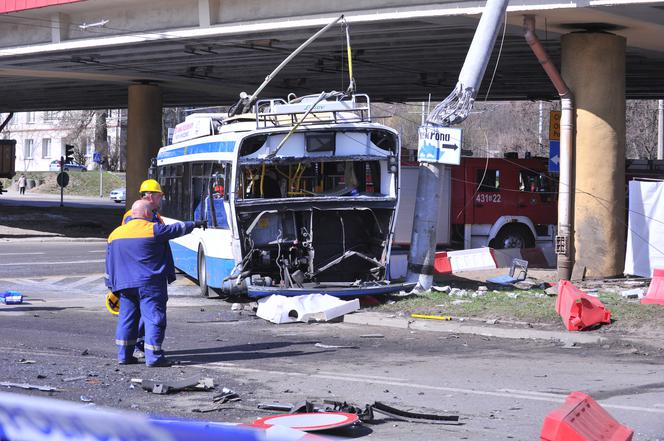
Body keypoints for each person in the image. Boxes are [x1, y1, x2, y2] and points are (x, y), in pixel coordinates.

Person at [105, 199, 206, 367]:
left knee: (127, 319)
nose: (153, 215)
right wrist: (194, 224)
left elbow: (109, 263)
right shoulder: (152, 229)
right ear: (146, 213)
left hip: (124, 285)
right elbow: (176, 229)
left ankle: (124, 356)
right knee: (153, 319)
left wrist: (111, 286)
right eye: (152, 212)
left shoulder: (115, 234)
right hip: (149, 285)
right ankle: (153, 357)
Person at [120, 179, 165, 359]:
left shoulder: (156, 216)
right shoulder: (133, 215)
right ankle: (148, 351)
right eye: (159, 195)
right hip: (142, 274)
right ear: (151, 196)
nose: (161, 199)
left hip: (150, 272)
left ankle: (139, 348)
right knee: (146, 315)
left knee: (144, 314)